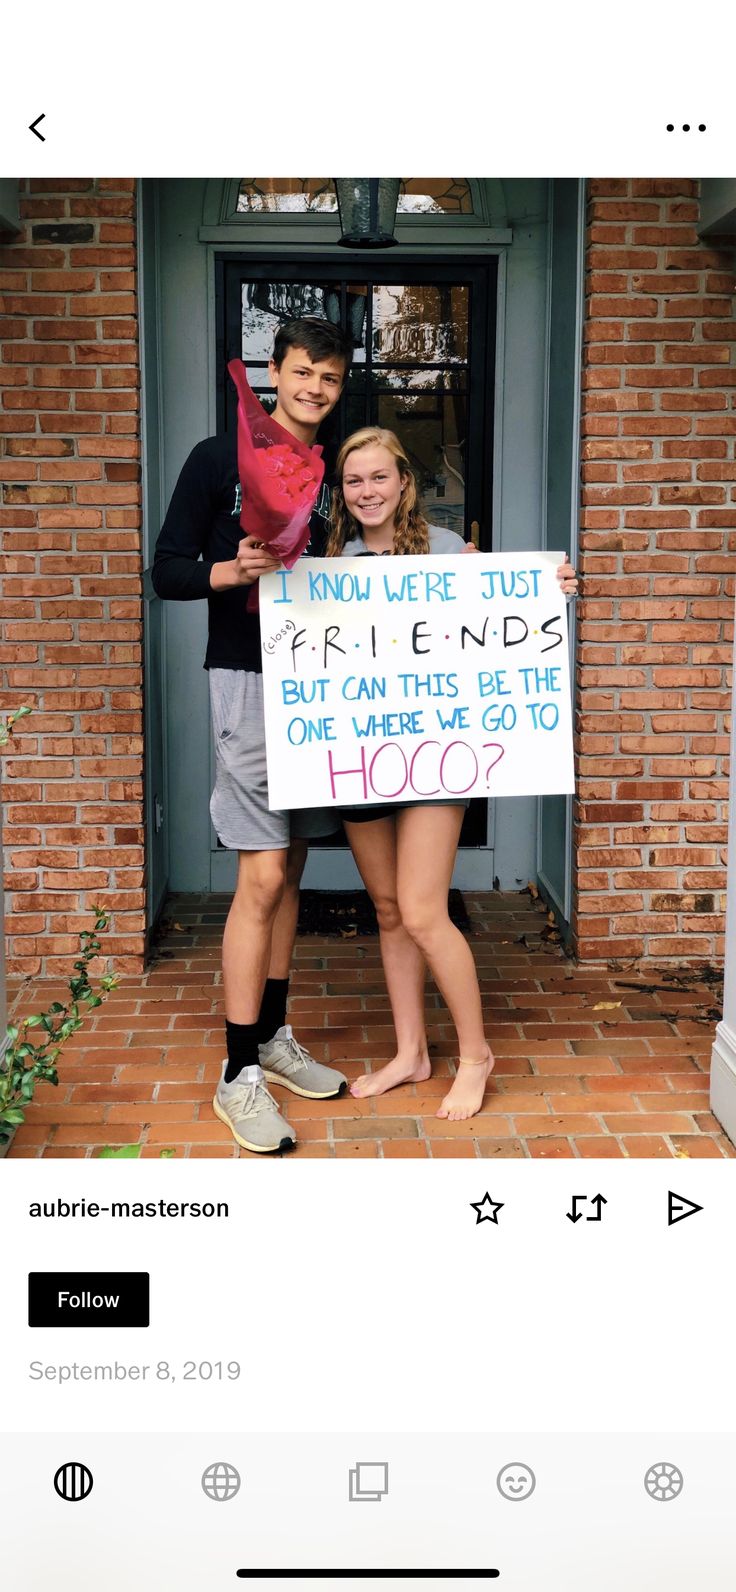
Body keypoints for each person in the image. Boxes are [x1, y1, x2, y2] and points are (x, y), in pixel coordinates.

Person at [325, 426, 579, 1122]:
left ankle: (477, 1055)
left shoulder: (445, 551)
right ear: (341, 493)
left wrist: (545, 589)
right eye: (354, 481)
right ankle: (411, 1053)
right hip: (362, 750)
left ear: (404, 482)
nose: (367, 491)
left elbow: (505, 619)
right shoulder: (331, 562)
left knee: (422, 908)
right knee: (385, 911)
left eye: (379, 477)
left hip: (438, 751)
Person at [152, 318, 354, 1153]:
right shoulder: (215, 457)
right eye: (302, 372)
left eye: (330, 379)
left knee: (293, 865)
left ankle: (272, 1038)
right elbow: (164, 570)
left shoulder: (335, 473)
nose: (313, 389)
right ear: (273, 371)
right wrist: (229, 572)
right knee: (262, 872)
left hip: (321, 682)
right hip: (247, 679)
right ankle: (239, 1074)